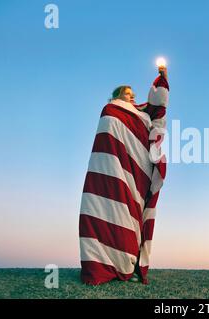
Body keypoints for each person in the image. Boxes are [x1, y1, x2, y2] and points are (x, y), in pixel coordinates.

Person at [79, 66, 169, 285]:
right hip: (110, 170)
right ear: (119, 95)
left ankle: (129, 263)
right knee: (101, 212)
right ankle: (101, 262)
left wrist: (163, 78)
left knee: (131, 218)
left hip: (134, 178)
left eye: (134, 94)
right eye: (129, 94)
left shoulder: (140, 115)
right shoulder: (110, 110)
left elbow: (154, 112)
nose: (133, 97)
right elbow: (108, 136)